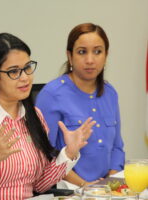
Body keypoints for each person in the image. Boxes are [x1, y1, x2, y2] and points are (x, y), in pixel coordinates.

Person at [0, 33, 96, 199]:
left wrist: (69, 153)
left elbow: (39, 185)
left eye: (27, 68)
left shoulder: (34, 116)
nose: (25, 77)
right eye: (14, 71)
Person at [36, 23, 125, 187]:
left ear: (106, 55)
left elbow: (117, 147)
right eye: (82, 52)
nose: (90, 60)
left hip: (107, 188)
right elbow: (45, 156)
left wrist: (110, 183)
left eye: (98, 52)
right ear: (70, 56)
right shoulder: (51, 95)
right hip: (68, 189)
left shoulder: (110, 93)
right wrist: (86, 186)